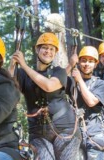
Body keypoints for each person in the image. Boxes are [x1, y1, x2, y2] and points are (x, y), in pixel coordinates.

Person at [9, 32, 81, 160]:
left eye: (52, 49)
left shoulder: (59, 71)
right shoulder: (23, 74)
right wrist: (12, 64)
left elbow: (49, 86)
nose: (48, 51)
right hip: (38, 132)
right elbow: (8, 88)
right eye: (45, 48)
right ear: (37, 49)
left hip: (65, 128)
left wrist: (24, 65)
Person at [66, 46, 104, 160]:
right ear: (79, 62)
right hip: (74, 132)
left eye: (90, 61)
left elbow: (91, 102)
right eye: (84, 60)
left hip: (94, 132)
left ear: (95, 64)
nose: (86, 64)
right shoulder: (71, 82)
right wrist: (70, 65)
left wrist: (79, 80)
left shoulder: (101, 84)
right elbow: (54, 85)